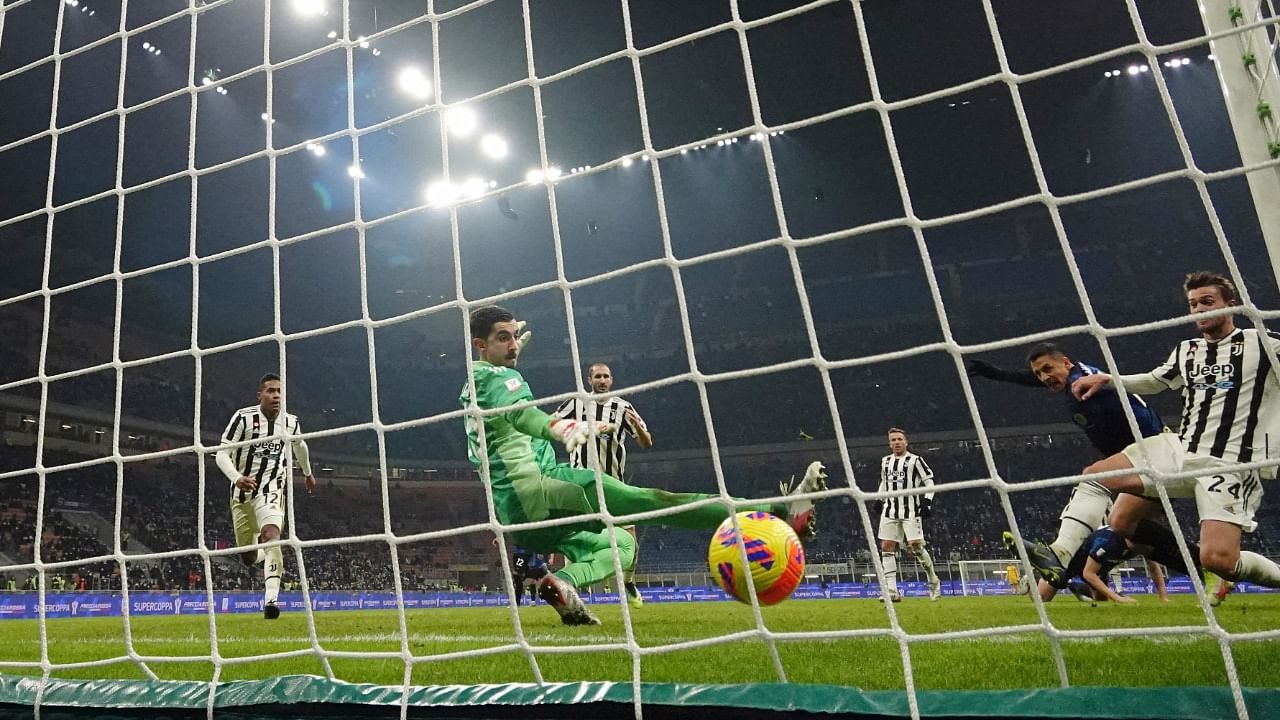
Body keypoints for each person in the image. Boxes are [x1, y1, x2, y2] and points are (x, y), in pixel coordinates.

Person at [460, 305, 827, 626]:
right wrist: (561, 426)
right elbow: (525, 417)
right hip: (544, 489)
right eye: (502, 338)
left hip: (515, 520)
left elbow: (506, 423)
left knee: (621, 543)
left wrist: (507, 351)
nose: (512, 345)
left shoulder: (471, 387)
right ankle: (779, 510)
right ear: (480, 345)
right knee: (654, 501)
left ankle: (562, 583)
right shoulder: (502, 378)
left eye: (513, 337)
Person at [1065, 271, 1280, 604]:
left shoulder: (1263, 344)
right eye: (1193, 304)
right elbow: (1154, 381)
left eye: (1207, 302)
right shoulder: (1187, 350)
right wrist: (1108, 379)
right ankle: (1059, 554)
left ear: (1231, 304)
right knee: (1099, 479)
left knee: (1218, 560)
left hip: (1228, 462)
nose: (1198, 310)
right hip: (1180, 449)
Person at [971, 343, 1166, 581]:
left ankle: (1060, 554)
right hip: (1150, 446)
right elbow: (1039, 378)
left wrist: (1118, 463)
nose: (1044, 378)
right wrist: (997, 373)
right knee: (1124, 525)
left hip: (1153, 451)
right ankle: (1204, 565)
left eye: (1047, 369)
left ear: (1066, 361)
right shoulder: (1080, 374)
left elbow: (1115, 430)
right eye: (1039, 373)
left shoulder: (1080, 391)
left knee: (1095, 479)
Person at [215, 373, 317, 620]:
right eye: (271, 391)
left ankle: (271, 601)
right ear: (260, 395)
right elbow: (221, 453)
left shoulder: (290, 422)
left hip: (271, 488)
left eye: (280, 392)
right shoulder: (243, 418)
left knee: (272, 535)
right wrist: (237, 477)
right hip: (241, 493)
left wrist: (308, 472)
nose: (276, 396)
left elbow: (299, 446)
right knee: (248, 557)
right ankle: (258, 551)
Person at [553, 362, 654, 609]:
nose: (602, 380)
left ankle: (628, 582)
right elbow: (550, 425)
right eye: (597, 376)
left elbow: (647, 443)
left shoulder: (622, 407)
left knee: (630, 541)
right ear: (589, 380)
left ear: (611, 380)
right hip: (579, 486)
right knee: (573, 537)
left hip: (613, 486)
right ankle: (570, 591)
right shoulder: (575, 403)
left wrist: (639, 427)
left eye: (606, 376)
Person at [875, 428, 941, 602]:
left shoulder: (915, 460)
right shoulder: (885, 461)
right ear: (889, 443)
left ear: (906, 442)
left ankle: (933, 580)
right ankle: (891, 591)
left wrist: (927, 501)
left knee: (916, 546)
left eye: (899, 439)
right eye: (893, 440)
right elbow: (884, 482)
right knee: (886, 547)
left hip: (911, 510)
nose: (896, 442)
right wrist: (879, 499)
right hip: (890, 511)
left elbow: (929, 481)